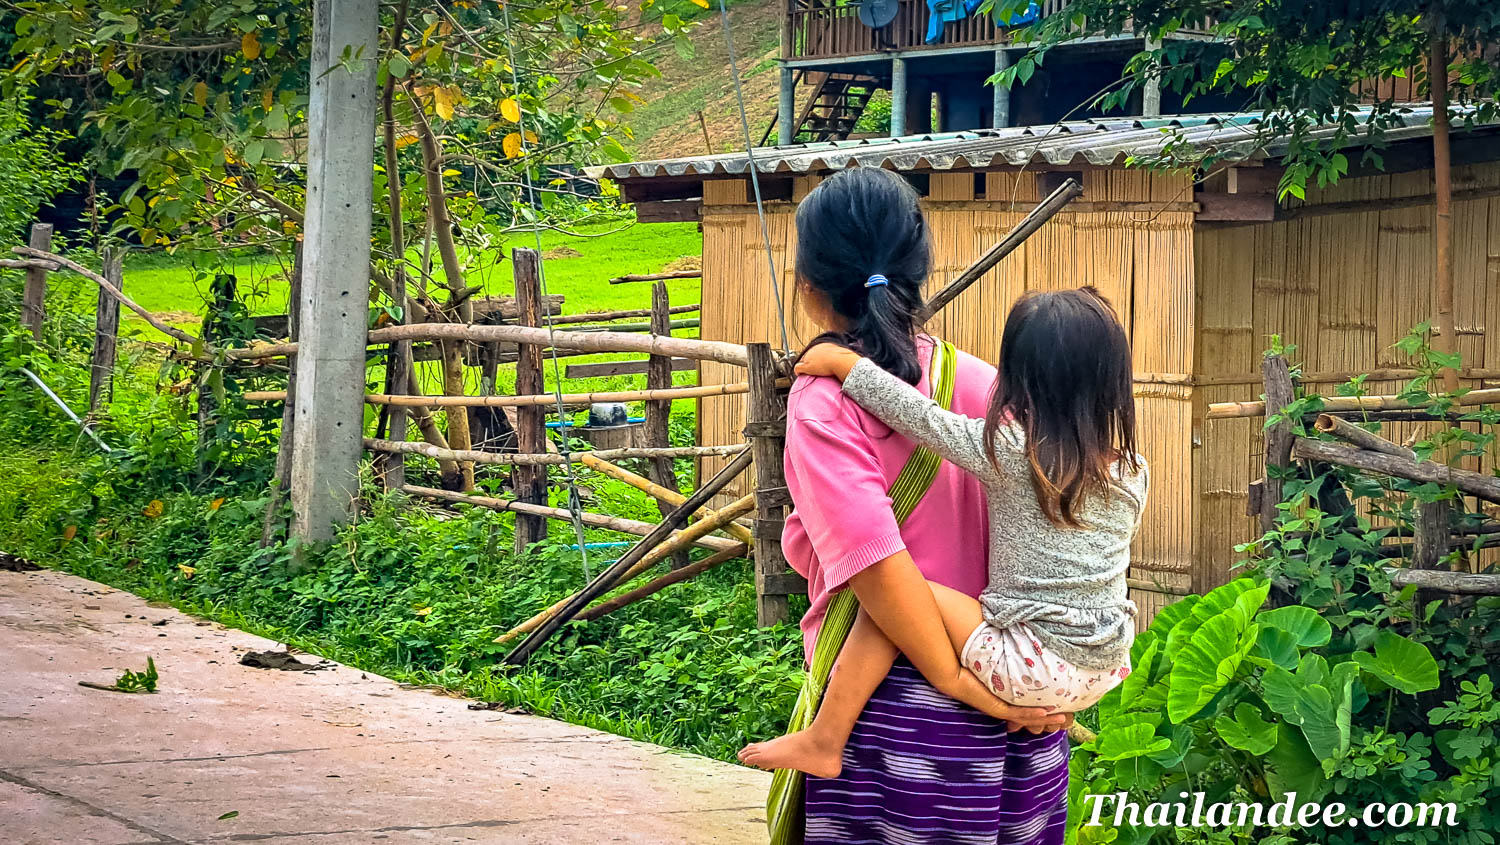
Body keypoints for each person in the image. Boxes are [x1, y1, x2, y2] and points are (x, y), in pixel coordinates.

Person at [751, 167, 1073, 845]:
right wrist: (1049, 680)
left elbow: (879, 569)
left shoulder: (824, 402)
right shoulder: (984, 381)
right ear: (918, 270)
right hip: (1025, 710)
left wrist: (959, 682)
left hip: (905, 724)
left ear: (809, 286)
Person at [741, 286, 1147, 783]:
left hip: (1029, 658)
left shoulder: (1014, 454)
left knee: (896, 592)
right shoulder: (1131, 471)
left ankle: (826, 738)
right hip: (1103, 664)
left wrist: (845, 366)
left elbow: (922, 419)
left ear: (1019, 381)